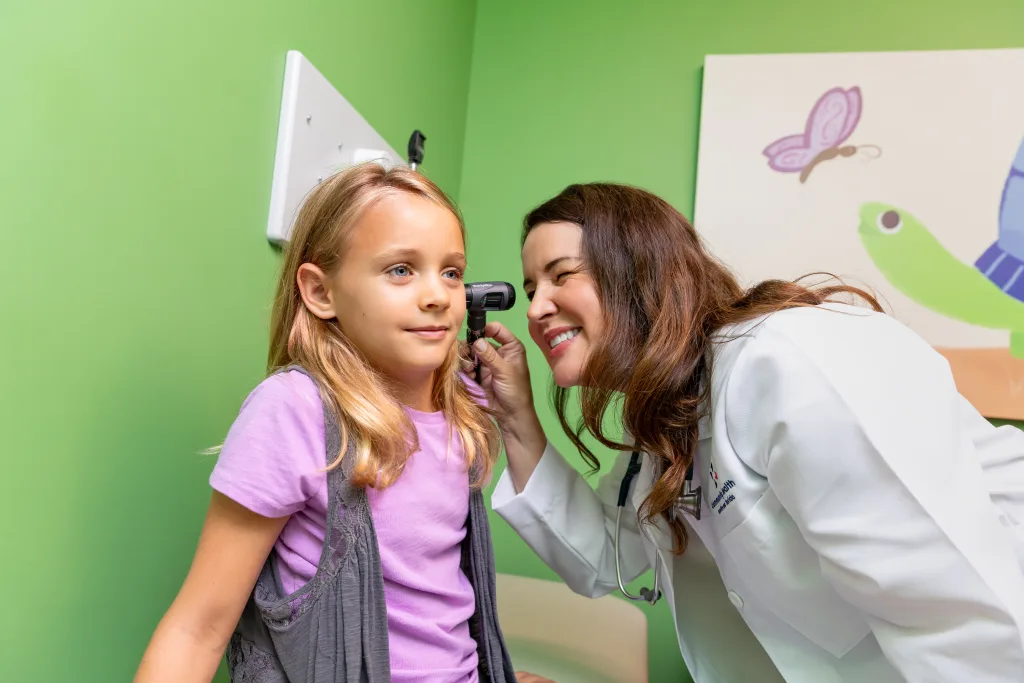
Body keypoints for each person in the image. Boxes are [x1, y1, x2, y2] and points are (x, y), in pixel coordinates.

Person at [470, 181, 1024, 682]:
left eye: (562, 275)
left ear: (641, 271)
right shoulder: (664, 433)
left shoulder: (787, 359)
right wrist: (515, 415)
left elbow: (953, 611)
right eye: (530, 287)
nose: (537, 307)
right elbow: (602, 556)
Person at [134, 163, 530, 682]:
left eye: (451, 272)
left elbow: (433, 610)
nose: (437, 295)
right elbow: (198, 628)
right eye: (401, 270)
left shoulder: (460, 412)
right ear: (321, 292)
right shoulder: (294, 411)